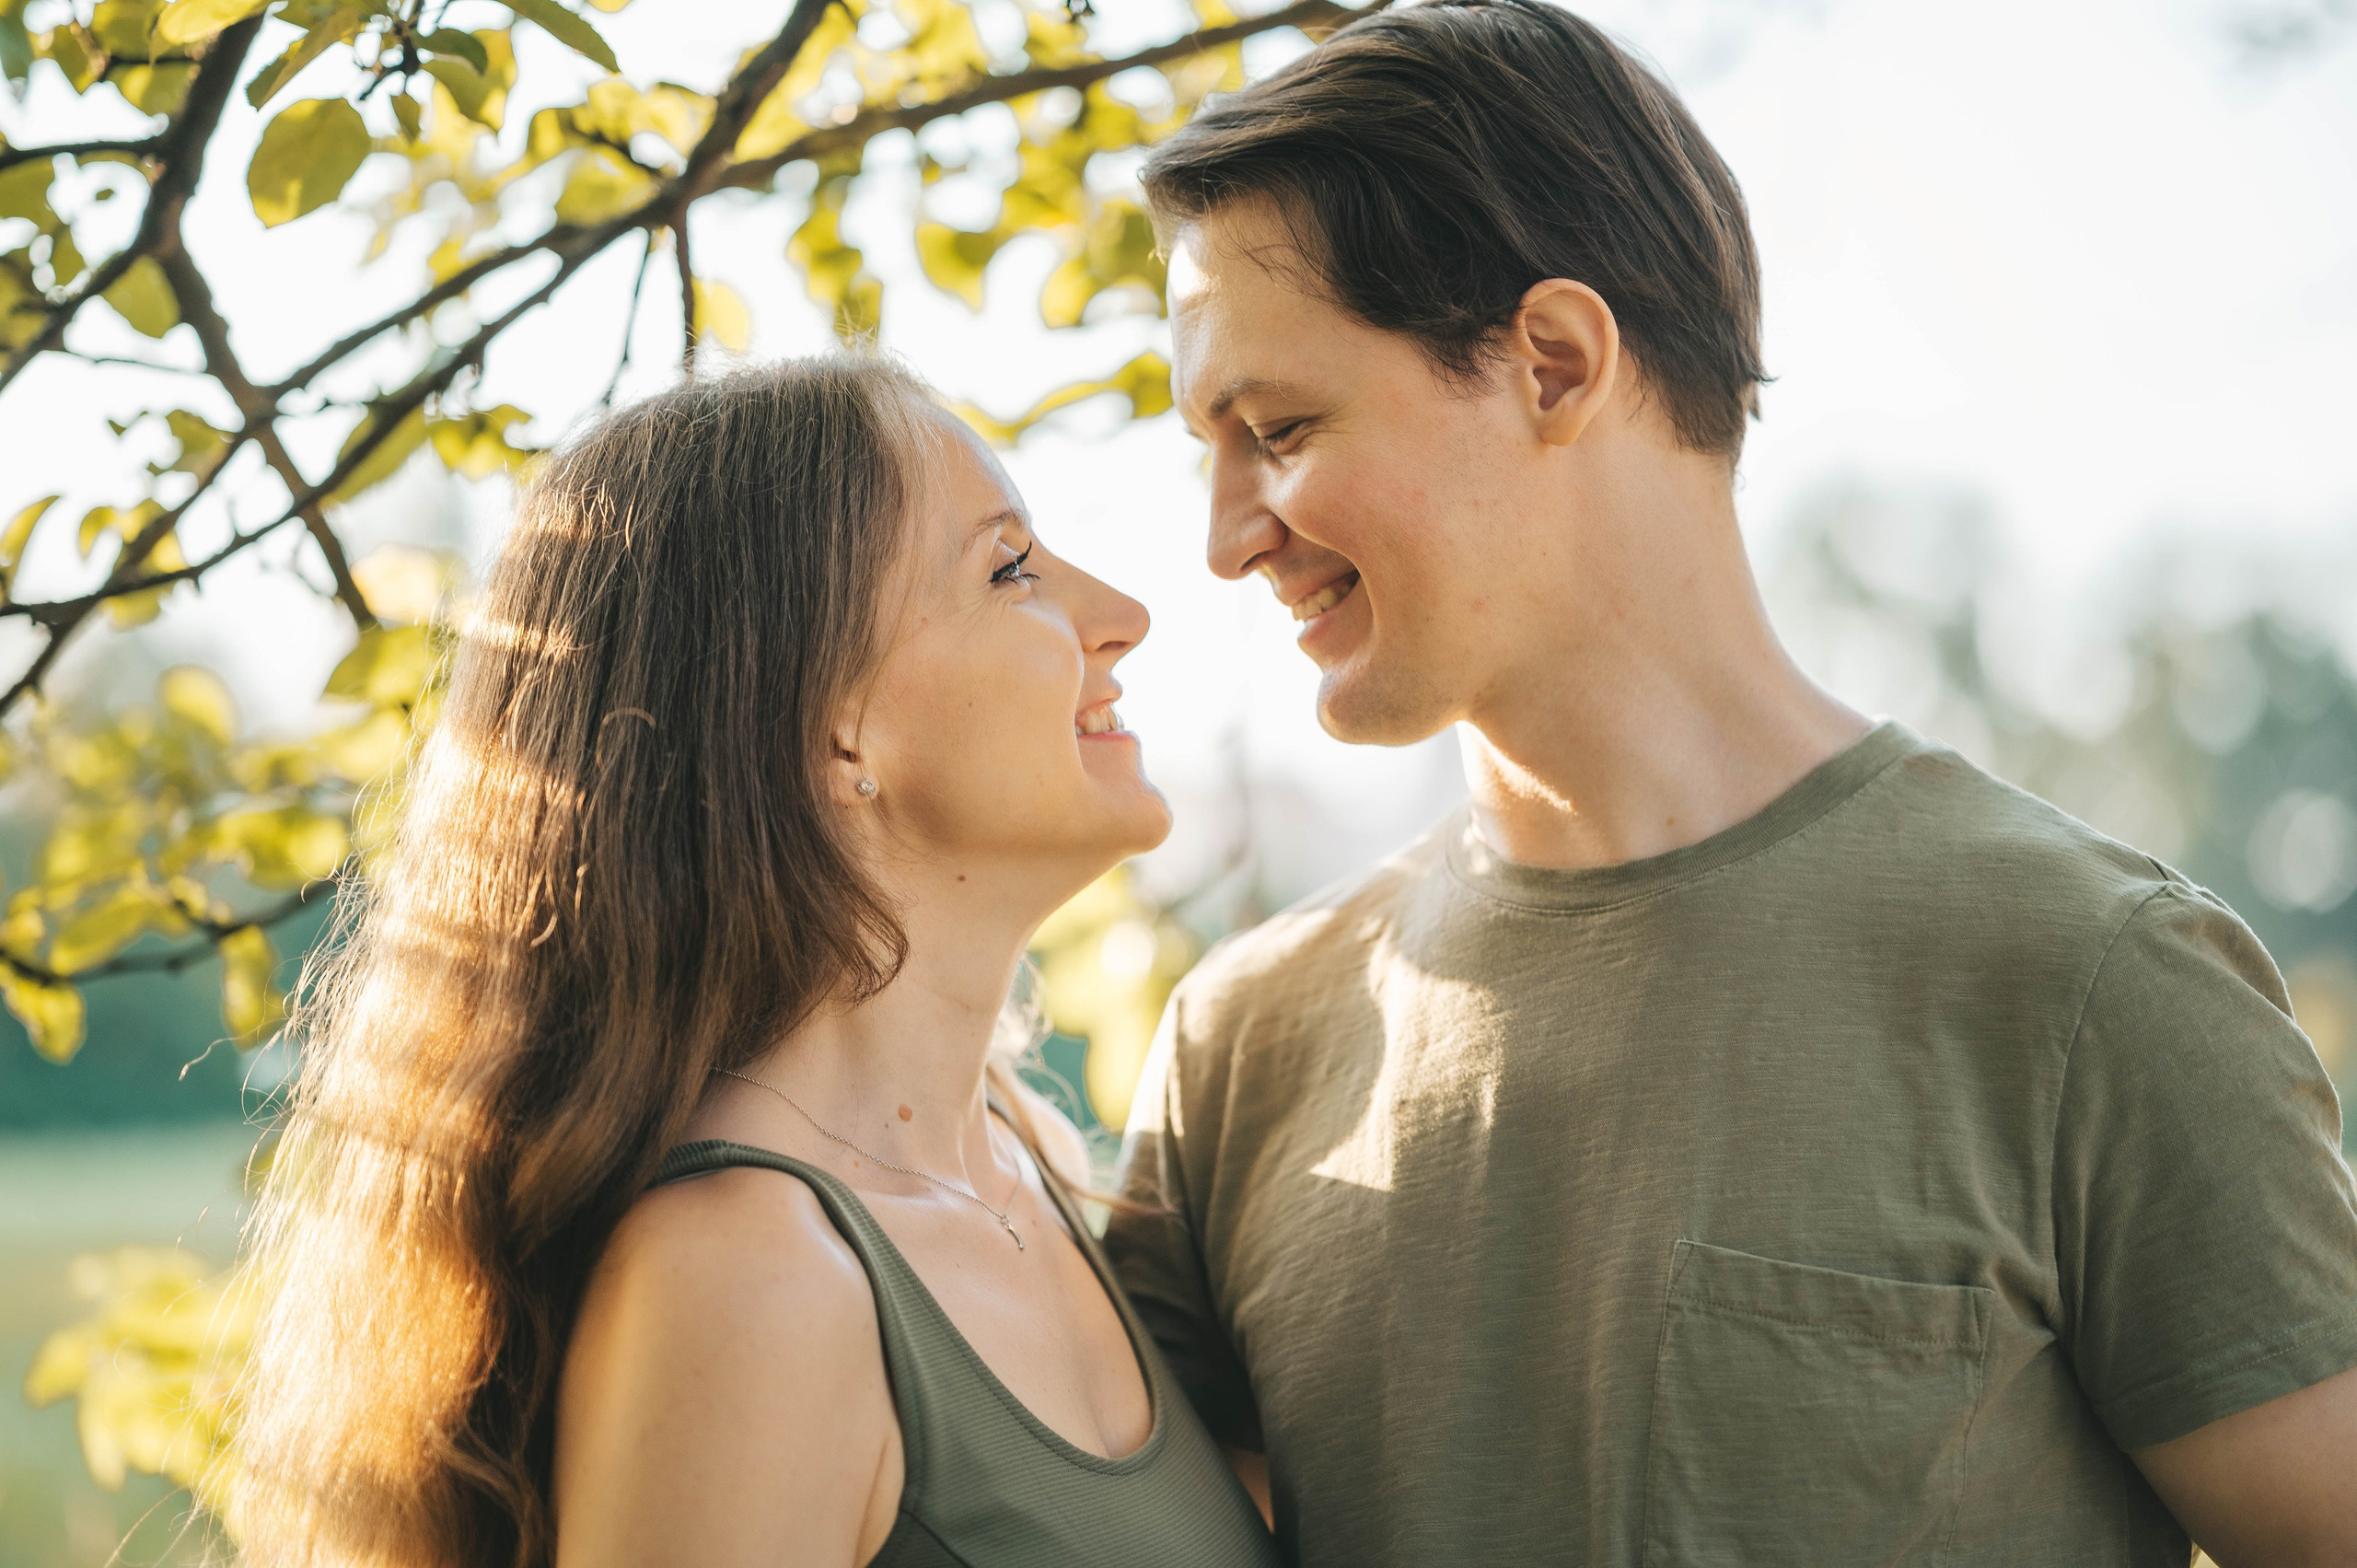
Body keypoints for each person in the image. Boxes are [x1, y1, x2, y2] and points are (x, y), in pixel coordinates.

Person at [1103, 4, 2357, 1564]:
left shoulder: (2093, 983)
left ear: (1552, 363)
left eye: (1278, 430)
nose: (1228, 536)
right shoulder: (1239, 1048)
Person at [232, 359, 1280, 1568]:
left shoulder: (1026, 1164)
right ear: (831, 727)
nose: (1121, 615)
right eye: (1008, 570)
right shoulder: (747, 1284)